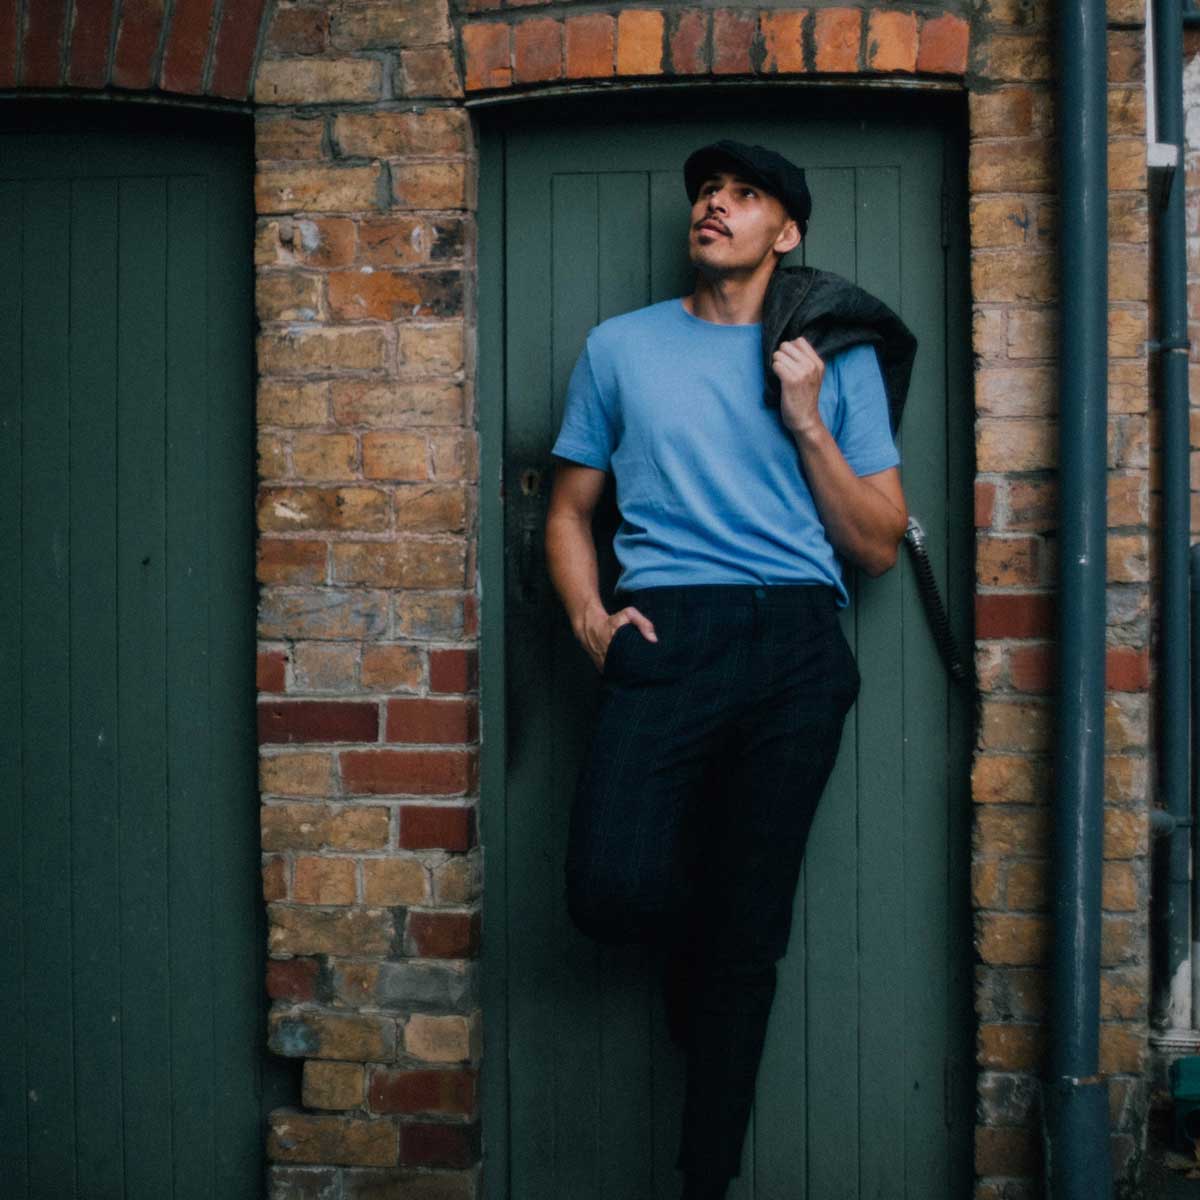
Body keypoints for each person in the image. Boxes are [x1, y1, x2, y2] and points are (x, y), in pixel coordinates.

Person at [543, 140, 910, 1200]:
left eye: (747, 196)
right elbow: (568, 512)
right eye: (709, 191)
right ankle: (697, 937)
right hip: (669, 632)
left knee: (749, 945)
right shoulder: (620, 347)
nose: (717, 205)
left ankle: (704, 1180)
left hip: (796, 641)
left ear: (785, 233)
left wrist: (807, 420)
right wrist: (592, 621)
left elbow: (879, 545)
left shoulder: (832, 357)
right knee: (609, 889)